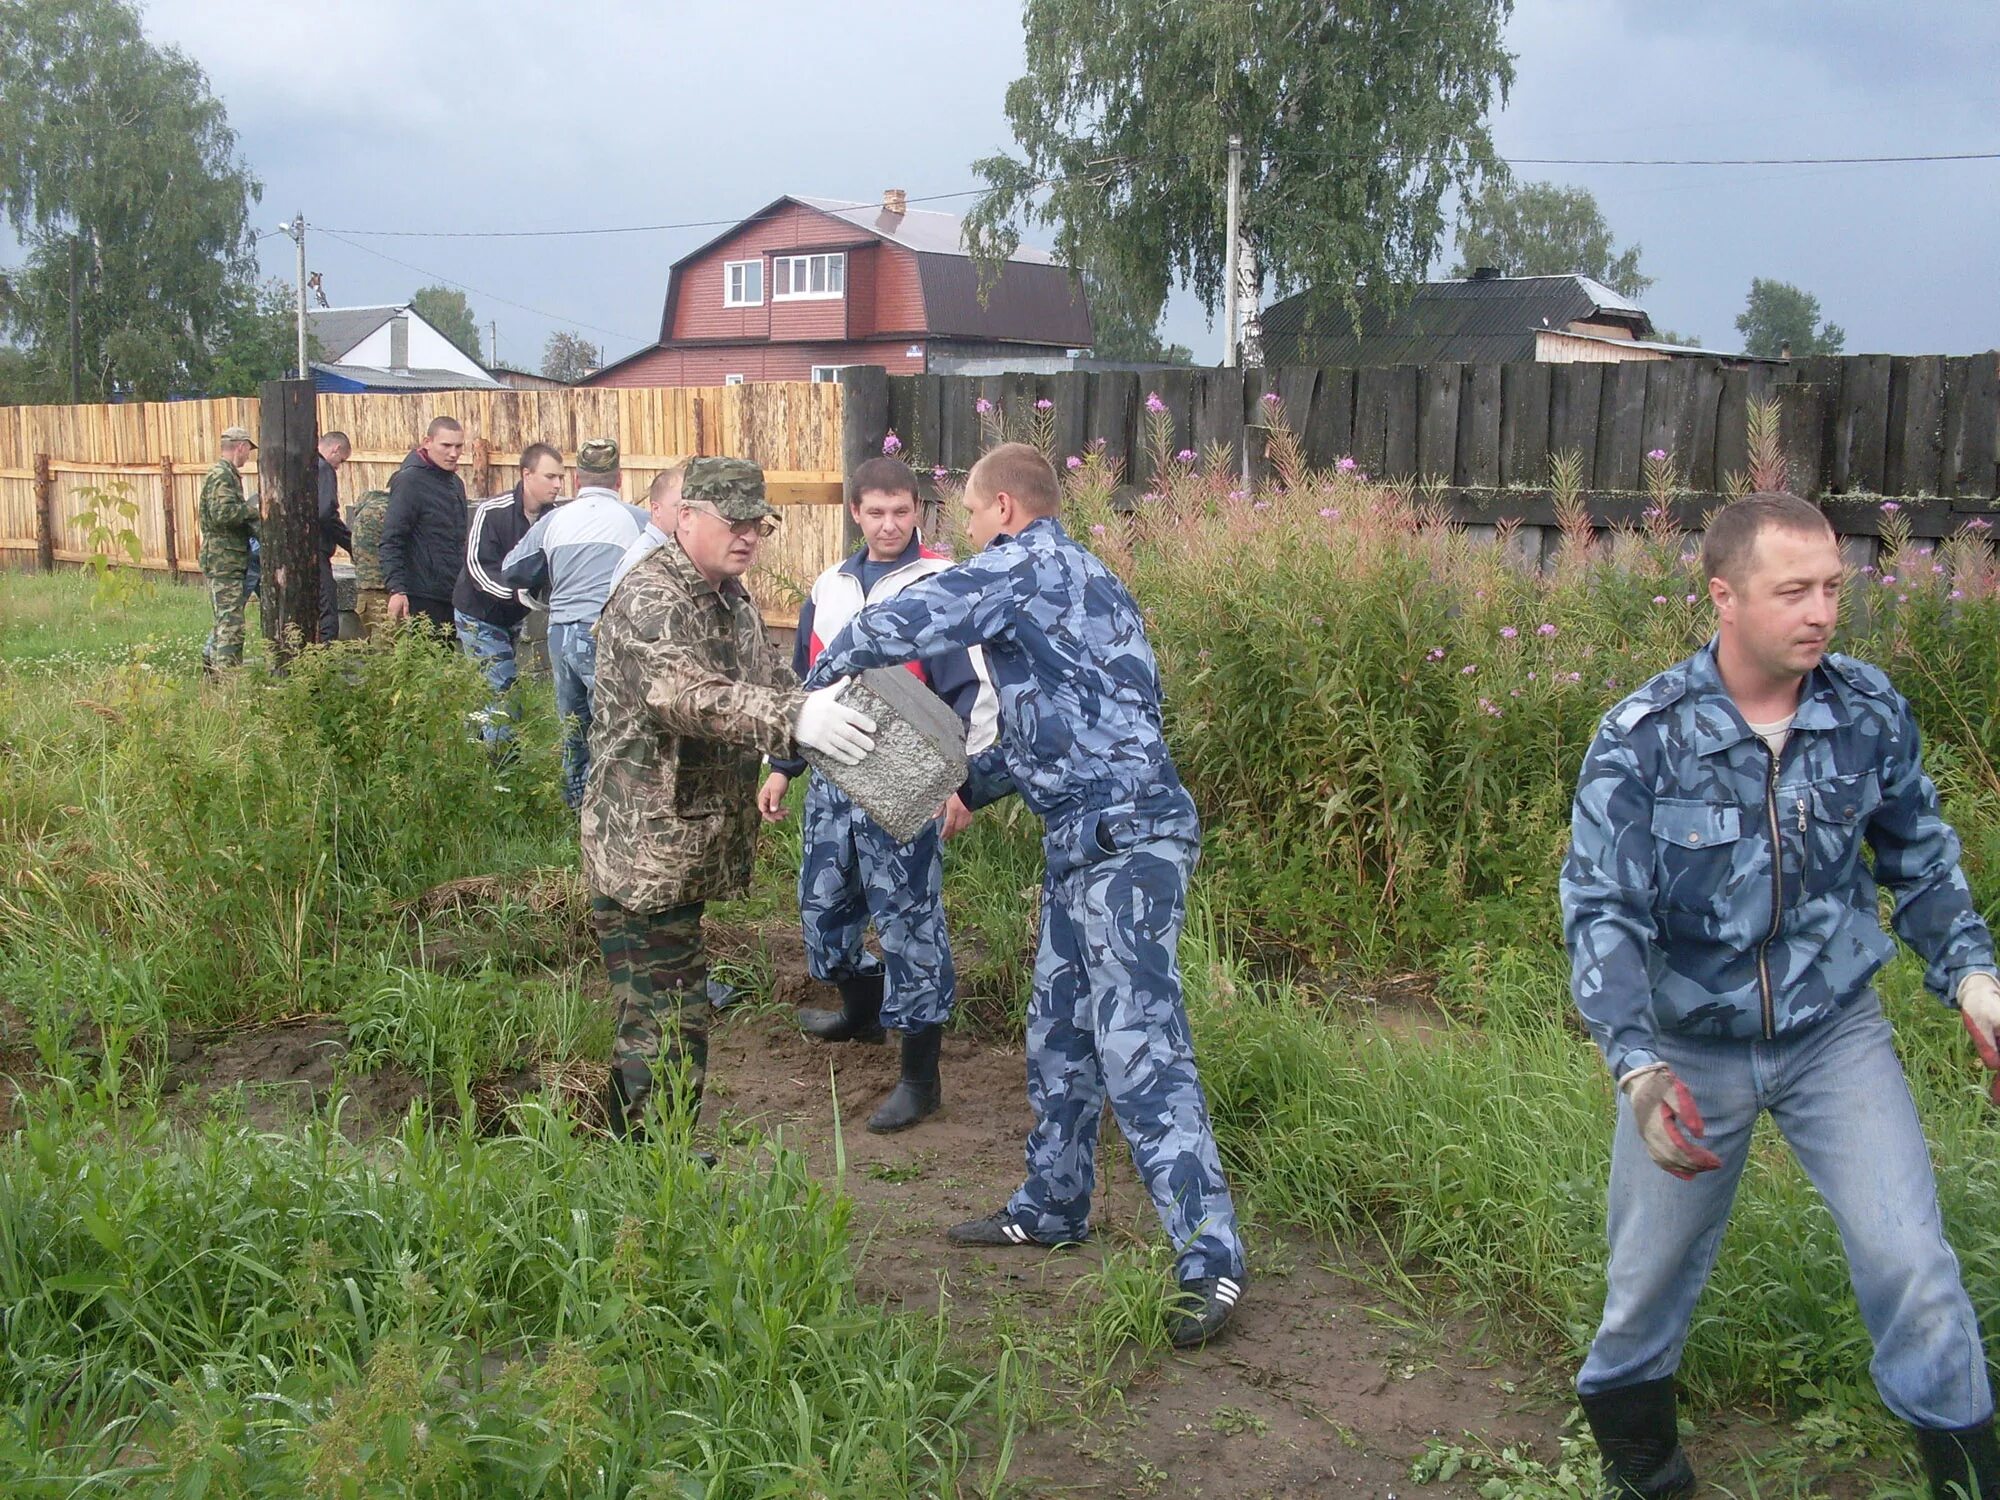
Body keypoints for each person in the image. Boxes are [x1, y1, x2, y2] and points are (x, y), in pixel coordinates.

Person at [1562, 492, 2000, 1500]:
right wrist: (1634, 1064)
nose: (1818, 612)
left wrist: (1972, 981)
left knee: (1910, 1261)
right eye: (1790, 590)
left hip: (1829, 1033)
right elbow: (1601, 914)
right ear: (1722, 596)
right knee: (1641, 1290)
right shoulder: (1642, 737)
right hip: (1685, 1047)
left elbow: (1920, 865)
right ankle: (1640, 1465)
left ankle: (1965, 1476)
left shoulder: (1865, 712)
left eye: (1832, 589)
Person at [805, 442, 1247, 1349]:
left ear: (1003, 507)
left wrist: (811, 687)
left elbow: (907, 617)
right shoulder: (1092, 580)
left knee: (1141, 1046)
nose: (965, 534)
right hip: (1089, 836)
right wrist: (973, 785)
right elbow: (1076, 719)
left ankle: (1212, 1258)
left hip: (1124, 842)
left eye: (969, 517)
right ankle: (1052, 1204)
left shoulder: (1024, 564)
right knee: (1058, 1031)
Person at [582, 455, 876, 1144]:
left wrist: (809, 701)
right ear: (685, 517)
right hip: (641, 841)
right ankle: (655, 1163)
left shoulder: (727, 594)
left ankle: (650, 1151)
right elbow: (680, 696)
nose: (747, 536)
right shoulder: (652, 597)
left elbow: (763, 675)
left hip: (686, 836)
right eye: (733, 522)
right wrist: (793, 720)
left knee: (668, 1006)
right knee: (663, 1012)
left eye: (759, 524)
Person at [757, 455, 995, 1134]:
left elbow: (972, 693)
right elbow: (806, 682)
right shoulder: (830, 585)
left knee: (909, 927)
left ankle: (921, 1078)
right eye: (875, 512)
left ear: (918, 509)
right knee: (822, 915)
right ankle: (860, 1015)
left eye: (901, 510)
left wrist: (964, 784)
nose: (889, 524)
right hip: (833, 774)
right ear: (855, 514)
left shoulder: (943, 585)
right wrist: (782, 765)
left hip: (910, 780)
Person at [502, 437, 649, 808]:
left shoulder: (554, 520)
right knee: (618, 725)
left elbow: (513, 570)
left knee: (574, 727)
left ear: (577, 481)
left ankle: (576, 806)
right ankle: (615, 808)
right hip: (604, 632)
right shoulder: (635, 520)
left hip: (559, 633)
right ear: (618, 480)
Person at [454, 442, 563, 748]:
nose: (557, 485)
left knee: (484, 689)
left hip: (513, 618)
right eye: (550, 477)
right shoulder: (492, 511)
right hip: (479, 615)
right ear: (526, 474)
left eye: (561, 478)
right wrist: (516, 595)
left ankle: (469, 752)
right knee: (503, 688)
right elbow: (476, 568)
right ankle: (502, 764)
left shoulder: (554, 519)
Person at [380, 416, 470, 635]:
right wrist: (397, 589)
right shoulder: (410, 481)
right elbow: (392, 539)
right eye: (446, 445)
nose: (453, 453)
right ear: (427, 442)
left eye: (458, 446)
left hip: (451, 593)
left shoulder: (455, 483)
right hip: (420, 596)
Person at [198, 425, 259, 674]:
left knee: (225, 620)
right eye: (247, 451)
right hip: (224, 560)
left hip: (229, 559)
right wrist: (255, 510)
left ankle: (212, 671)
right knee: (231, 626)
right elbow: (223, 514)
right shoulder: (222, 475)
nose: (248, 456)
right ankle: (227, 681)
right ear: (240, 446)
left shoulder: (227, 474)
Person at [316, 431, 353, 643]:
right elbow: (325, 513)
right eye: (341, 460)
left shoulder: (304, 465)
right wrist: (349, 542)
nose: (339, 465)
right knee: (327, 610)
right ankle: (326, 661)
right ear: (335, 449)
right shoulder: (324, 469)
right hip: (318, 549)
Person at [345, 487, 394, 641]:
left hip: (365, 592)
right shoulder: (386, 511)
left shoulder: (365, 509)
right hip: (384, 593)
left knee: (377, 651)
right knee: (387, 654)